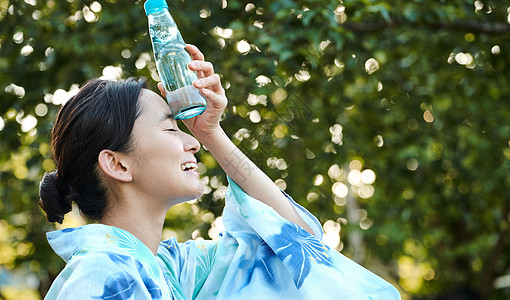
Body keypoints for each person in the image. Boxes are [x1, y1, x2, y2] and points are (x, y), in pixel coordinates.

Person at [39, 44, 400, 299]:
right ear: (118, 164)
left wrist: (212, 133)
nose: (191, 143)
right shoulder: (102, 274)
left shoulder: (171, 268)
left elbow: (296, 242)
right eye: (170, 129)